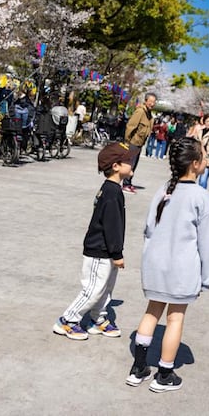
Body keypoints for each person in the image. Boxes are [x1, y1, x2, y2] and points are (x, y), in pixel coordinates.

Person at [126, 137, 209, 392]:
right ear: (196, 163)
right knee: (175, 318)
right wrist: (206, 277)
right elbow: (207, 243)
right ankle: (164, 373)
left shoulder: (164, 189)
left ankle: (139, 367)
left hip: (155, 264)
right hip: (182, 268)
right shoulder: (202, 197)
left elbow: (148, 228)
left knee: (152, 311)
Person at [52, 142, 137, 340]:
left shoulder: (113, 189)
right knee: (93, 289)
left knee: (105, 289)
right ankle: (67, 321)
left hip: (107, 249)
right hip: (99, 250)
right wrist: (117, 254)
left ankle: (97, 319)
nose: (131, 162)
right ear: (116, 166)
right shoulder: (111, 192)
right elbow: (111, 226)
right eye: (128, 160)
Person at [123, 93, 156, 193]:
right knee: (130, 164)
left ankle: (128, 182)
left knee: (134, 164)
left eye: (154, 102)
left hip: (139, 143)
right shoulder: (140, 112)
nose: (152, 104)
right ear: (146, 101)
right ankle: (125, 184)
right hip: (133, 141)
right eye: (150, 101)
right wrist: (127, 141)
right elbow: (131, 126)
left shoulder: (149, 114)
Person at [189, 114, 209, 189]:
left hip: (207, 159)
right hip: (198, 157)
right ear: (204, 121)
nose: (208, 123)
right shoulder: (200, 131)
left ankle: (202, 195)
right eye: (207, 121)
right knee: (192, 178)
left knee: (203, 180)